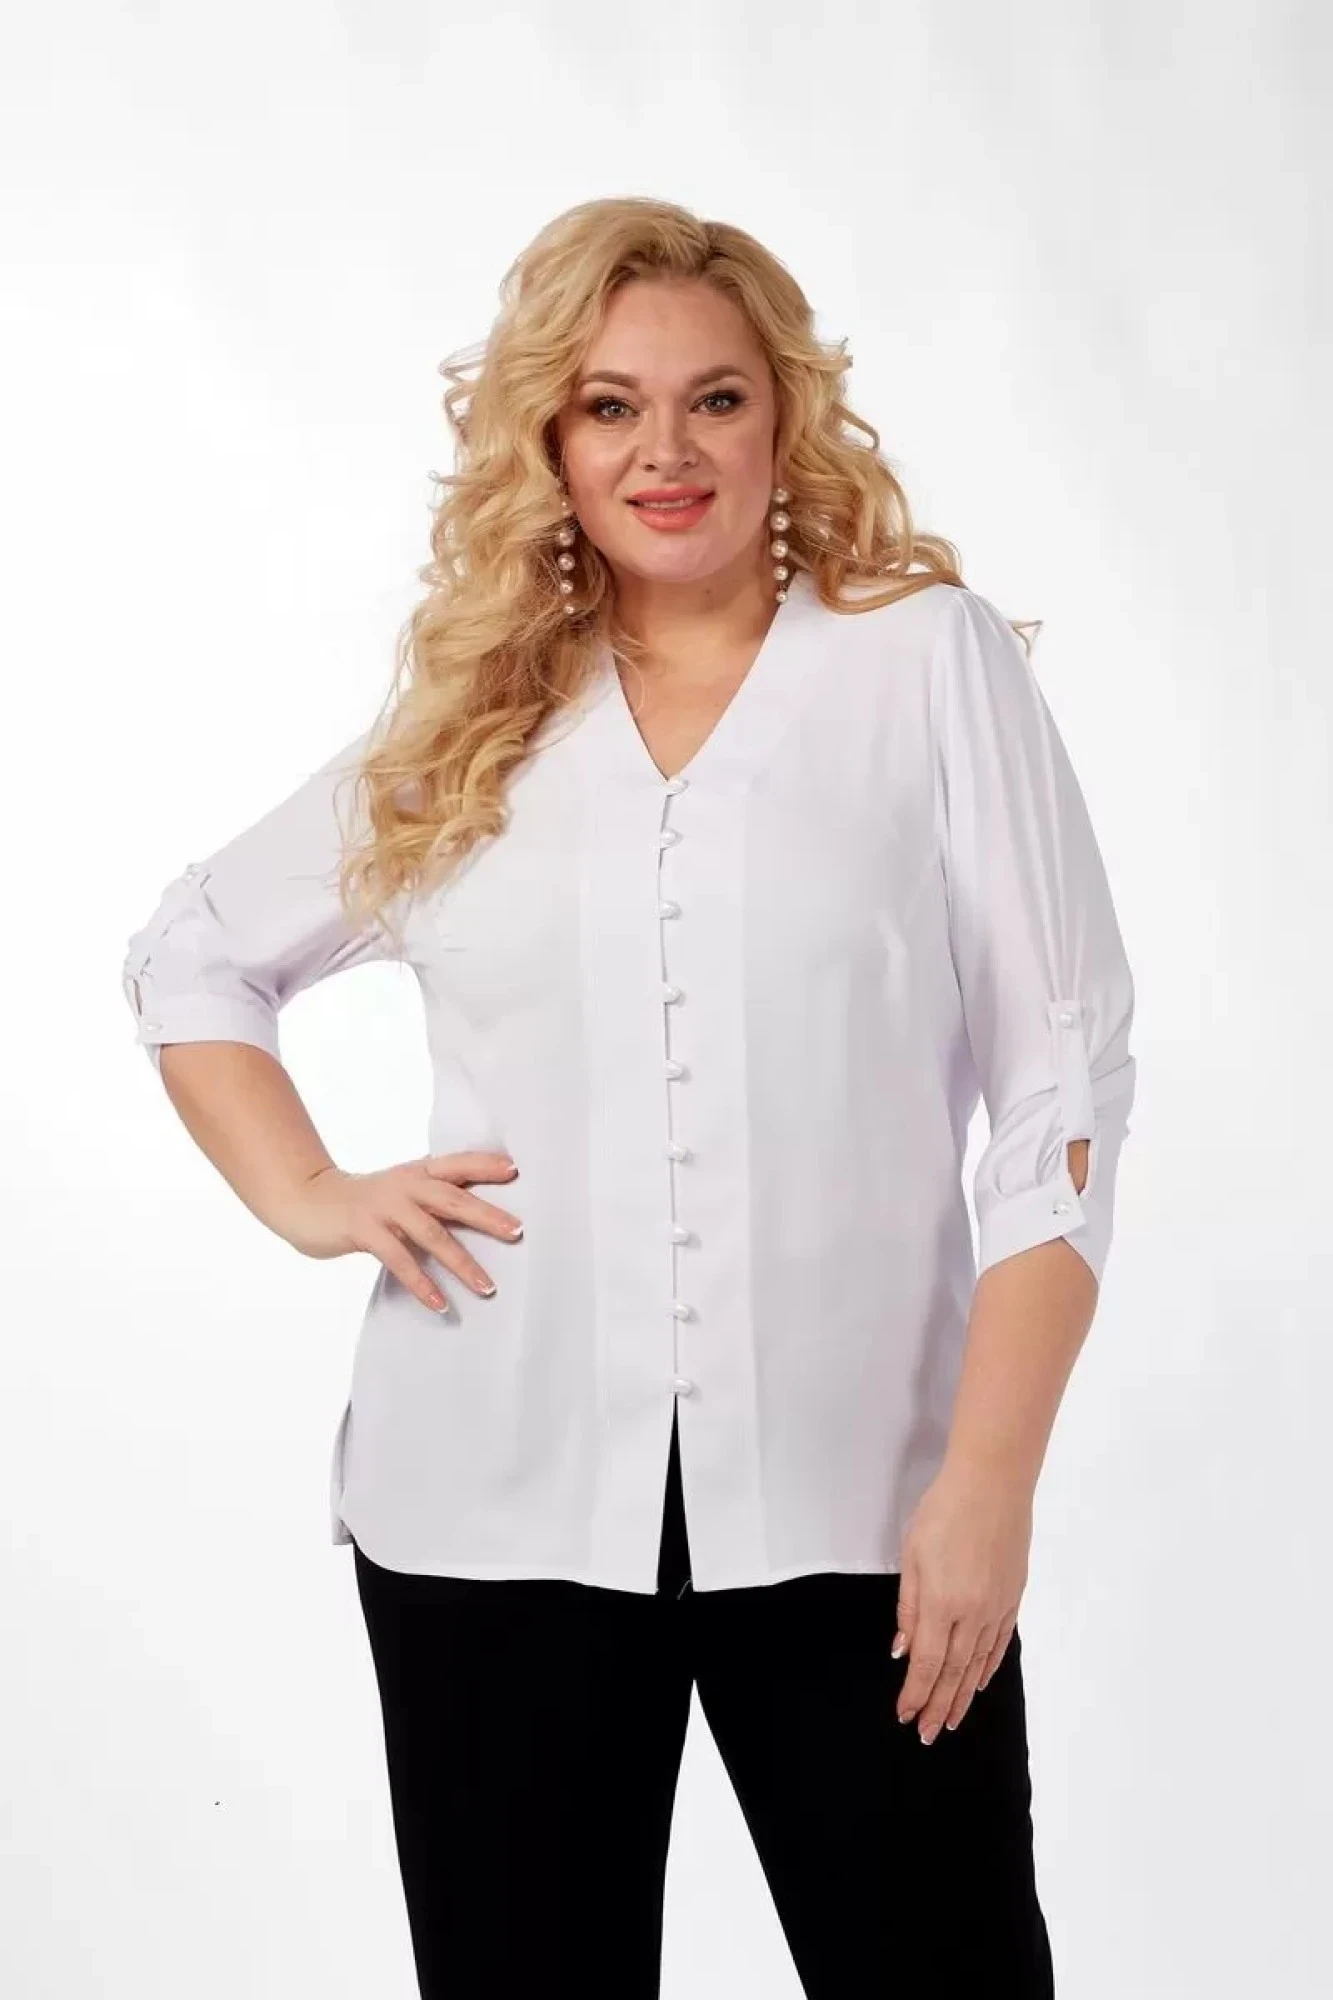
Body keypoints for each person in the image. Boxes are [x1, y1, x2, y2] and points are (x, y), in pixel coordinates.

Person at [121, 196, 1136, 1997]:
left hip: (865, 1510)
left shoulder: (924, 663)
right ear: (551, 440)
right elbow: (192, 956)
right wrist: (314, 1195)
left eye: (713, 399)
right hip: (487, 1508)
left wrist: (989, 1486)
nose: (666, 450)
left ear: (783, 413)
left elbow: (1063, 1093)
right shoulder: (479, 722)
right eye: (610, 406)